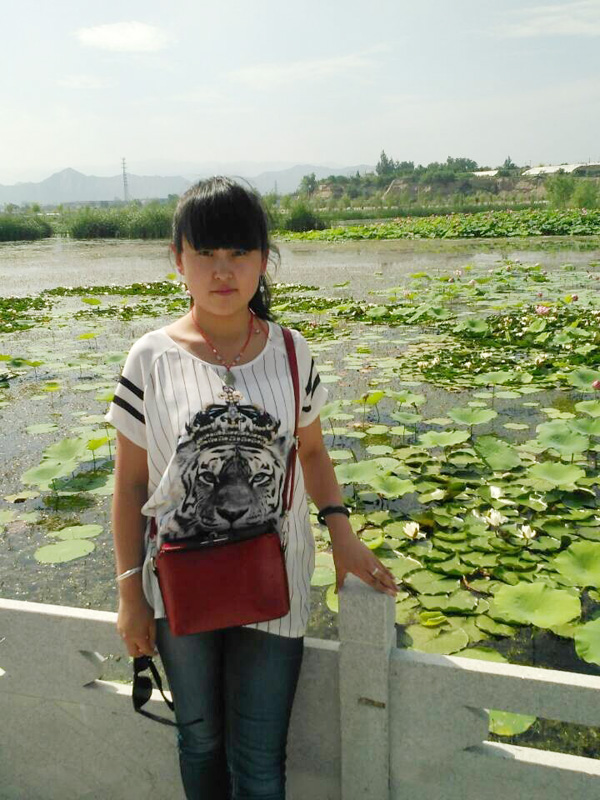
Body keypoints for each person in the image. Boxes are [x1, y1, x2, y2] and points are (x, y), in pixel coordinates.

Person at [106, 176, 397, 800]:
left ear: (264, 260)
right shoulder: (149, 358)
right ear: (178, 260)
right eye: (205, 252)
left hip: (277, 579)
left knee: (261, 762)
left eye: (239, 252)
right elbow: (129, 486)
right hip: (178, 583)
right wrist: (131, 592)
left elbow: (312, 452)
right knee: (199, 742)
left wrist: (342, 535)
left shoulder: (292, 352)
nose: (222, 270)